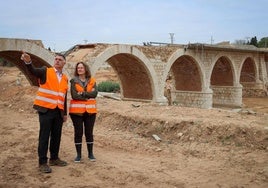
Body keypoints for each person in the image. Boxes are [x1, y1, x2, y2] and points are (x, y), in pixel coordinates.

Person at [20, 51, 68, 173]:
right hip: (45, 110)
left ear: (64, 63)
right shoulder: (45, 71)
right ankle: (42, 162)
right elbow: (33, 71)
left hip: (58, 112)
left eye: (60, 60)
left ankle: (54, 158)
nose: (57, 61)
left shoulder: (65, 78)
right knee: (44, 137)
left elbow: (64, 96)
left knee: (56, 136)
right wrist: (28, 62)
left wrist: (65, 113)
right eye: (56, 59)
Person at [69, 62, 98, 163]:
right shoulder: (73, 81)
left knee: (89, 132)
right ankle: (78, 155)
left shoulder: (92, 80)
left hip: (90, 111)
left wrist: (83, 93)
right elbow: (74, 96)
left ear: (85, 69)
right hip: (76, 112)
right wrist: (87, 95)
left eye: (81, 67)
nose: (79, 69)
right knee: (78, 132)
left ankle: (90, 154)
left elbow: (94, 94)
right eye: (78, 68)